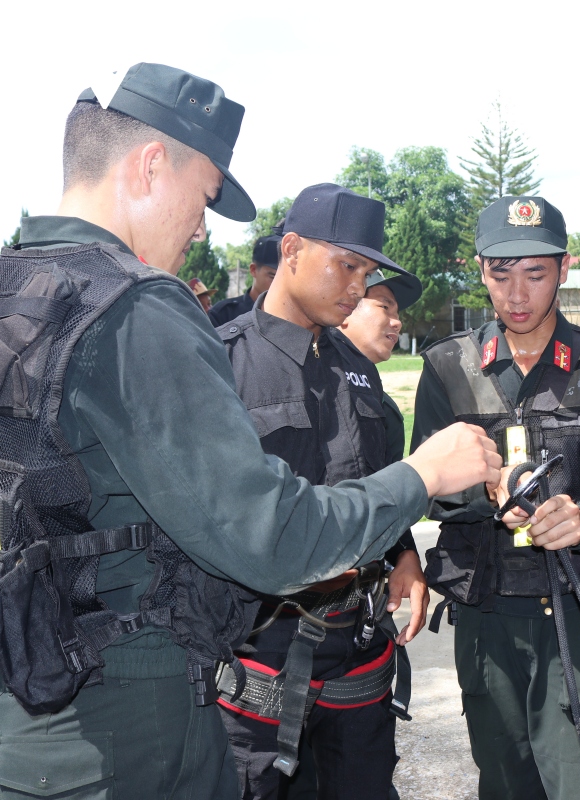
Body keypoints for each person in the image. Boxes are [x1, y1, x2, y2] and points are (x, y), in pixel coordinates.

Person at [0, 63, 501, 800]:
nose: (201, 226)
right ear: (151, 165)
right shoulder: (135, 310)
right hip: (122, 738)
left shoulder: (3, 286)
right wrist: (420, 476)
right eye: (203, 199)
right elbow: (274, 539)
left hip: (12, 715)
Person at [412, 195, 580, 799]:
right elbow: (424, 483)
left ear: (565, 269)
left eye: (535, 274)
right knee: (504, 778)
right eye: (501, 274)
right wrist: (485, 490)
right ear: (480, 269)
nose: (516, 295)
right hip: (485, 610)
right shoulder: (447, 367)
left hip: (573, 604)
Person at [215, 184, 429, 800]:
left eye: (365, 271)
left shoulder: (356, 369)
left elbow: (375, 474)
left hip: (358, 649)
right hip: (259, 651)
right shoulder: (221, 363)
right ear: (291, 250)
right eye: (346, 265)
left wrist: (404, 555)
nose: (358, 287)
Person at [338, 269, 424, 462]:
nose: (398, 323)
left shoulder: (385, 408)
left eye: (397, 314)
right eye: (385, 307)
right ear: (346, 310)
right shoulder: (306, 380)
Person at [210, 233, 280, 326]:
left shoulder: (294, 318)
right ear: (253, 270)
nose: (279, 284)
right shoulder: (224, 315)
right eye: (273, 276)